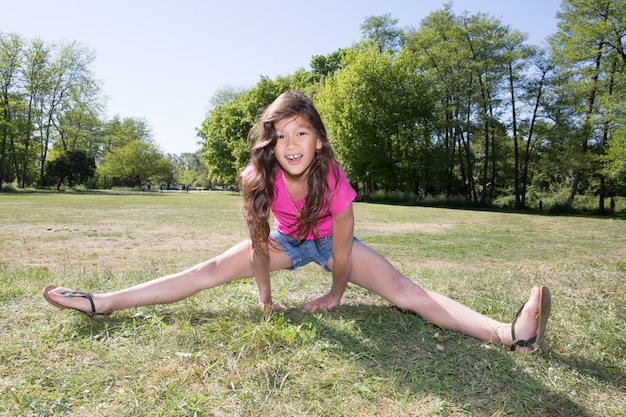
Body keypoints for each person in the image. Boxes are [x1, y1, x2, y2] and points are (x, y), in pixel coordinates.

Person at [44, 91, 551, 353]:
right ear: (269, 140)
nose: (292, 144)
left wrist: (334, 294)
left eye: (302, 132)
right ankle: (100, 303)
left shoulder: (333, 178)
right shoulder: (257, 179)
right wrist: (265, 296)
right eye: (281, 133)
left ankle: (511, 335)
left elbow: (346, 246)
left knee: (403, 289)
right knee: (205, 271)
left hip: (332, 246)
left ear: (318, 141)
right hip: (285, 243)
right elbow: (260, 246)